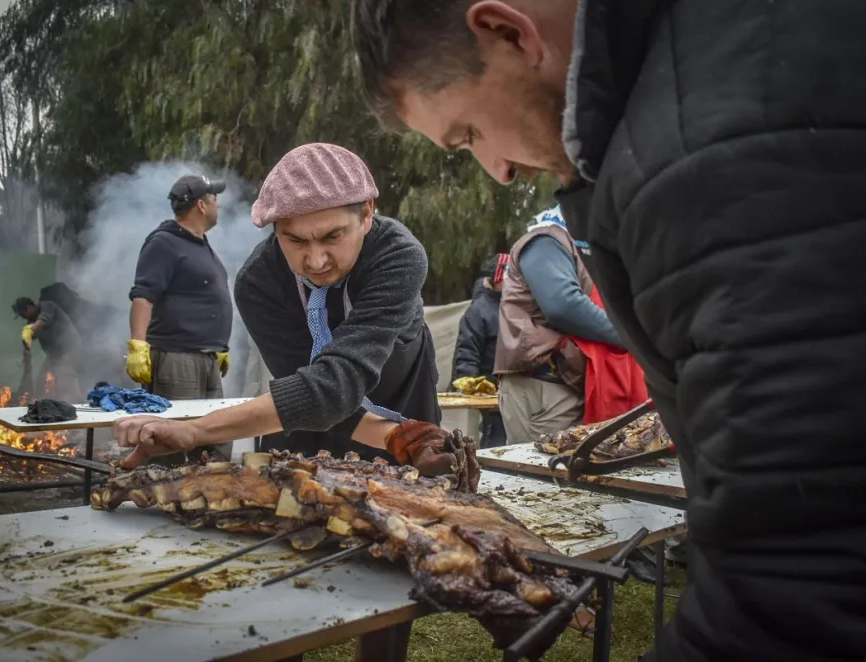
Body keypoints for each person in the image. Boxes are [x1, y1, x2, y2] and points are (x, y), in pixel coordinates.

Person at [351, 2, 866, 661]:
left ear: (509, 33)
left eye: (470, 132)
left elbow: (798, 581)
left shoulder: (701, 159)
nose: (498, 170)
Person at [113, 143, 478, 491]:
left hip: (401, 397)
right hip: (308, 409)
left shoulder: (397, 256)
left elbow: (339, 380)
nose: (316, 261)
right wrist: (192, 433)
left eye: (332, 236)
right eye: (296, 241)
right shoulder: (259, 283)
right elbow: (319, 394)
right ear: (275, 231)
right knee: (302, 505)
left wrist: (401, 436)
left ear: (367, 214)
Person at [126, 174, 234, 463]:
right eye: (214, 199)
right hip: (177, 358)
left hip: (207, 358)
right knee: (175, 443)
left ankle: (210, 502)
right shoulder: (165, 242)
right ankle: (163, 501)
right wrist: (138, 345)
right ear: (201, 205)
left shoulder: (200, 244)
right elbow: (143, 297)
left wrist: (219, 345)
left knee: (216, 439)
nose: (218, 205)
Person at [495, 204, 623, 443]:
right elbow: (564, 306)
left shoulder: (576, 244)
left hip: (561, 384)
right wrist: (631, 336)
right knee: (543, 474)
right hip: (546, 386)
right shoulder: (547, 240)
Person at [451, 253, 508, 447]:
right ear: (497, 278)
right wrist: (470, 384)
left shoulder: (517, 305)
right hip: (490, 392)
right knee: (496, 441)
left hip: (514, 390)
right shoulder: (479, 310)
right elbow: (467, 351)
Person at [12, 296, 82, 402]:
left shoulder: (47, 306)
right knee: (41, 379)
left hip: (69, 348)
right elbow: (28, 340)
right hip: (54, 355)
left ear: (28, 308)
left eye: (22, 314)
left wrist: (30, 331)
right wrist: (26, 352)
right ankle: (41, 405)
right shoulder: (31, 321)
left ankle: (76, 404)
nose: (22, 317)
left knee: (65, 375)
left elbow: (42, 322)